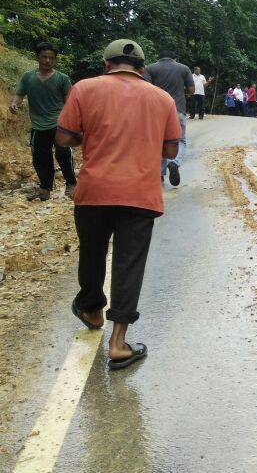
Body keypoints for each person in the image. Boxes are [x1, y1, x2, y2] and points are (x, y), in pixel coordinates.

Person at [55, 39, 180, 370]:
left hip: (94, 190)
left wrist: (91, 136)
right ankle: (118, 343)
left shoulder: (85, 89)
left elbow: (64, 137)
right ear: (142, 68)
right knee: (129, 264)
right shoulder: (162, 98)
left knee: (93, 253)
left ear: (105, 64)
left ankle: (91, 307)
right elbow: (170, 151)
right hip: (140, 194)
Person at [9, 41, 78, 200]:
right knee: (40, 158)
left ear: (55, 60)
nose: (47, 61)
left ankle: (71, 183)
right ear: (37, 57)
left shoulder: (62, 78)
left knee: (63, 153)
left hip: (59, 123)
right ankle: (45, 188)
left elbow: (70, 100)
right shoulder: (28, 77)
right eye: (44, 57)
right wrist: (14, 104)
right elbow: (19, 94)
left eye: (51, 58)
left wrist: (72, 121)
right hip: (38, 125)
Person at [144, 50, 193, 186]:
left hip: (157, 112)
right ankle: (174, 163)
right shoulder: (183, 68)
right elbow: (191, 90)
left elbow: (145, 89)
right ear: (174, 58)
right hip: (178, 109)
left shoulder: (150, 68)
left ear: (158, 58)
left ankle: (159, 174)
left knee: (159, 141)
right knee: (180, 140)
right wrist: (180, 90)